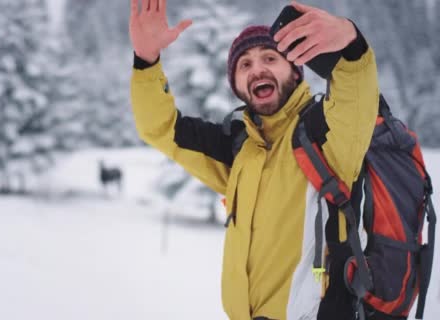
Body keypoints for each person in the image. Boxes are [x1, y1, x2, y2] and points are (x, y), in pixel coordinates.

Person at [129, 1, 380, 319]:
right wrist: (146, 61)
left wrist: (350, 43)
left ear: (295, 69)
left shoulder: (327, 133)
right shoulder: (238, 148)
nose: (257, 68)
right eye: (244, 65)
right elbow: (162, 129)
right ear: (236, 85)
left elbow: (354, 90)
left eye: (270, 58)